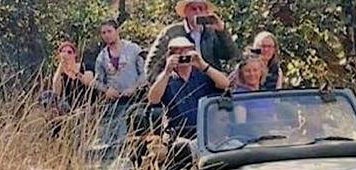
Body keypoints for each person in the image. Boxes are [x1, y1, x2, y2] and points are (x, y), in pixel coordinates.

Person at [147, 37, 230, 137]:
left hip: (206, 133)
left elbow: (225, 84)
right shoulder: (166, 80)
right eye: (178, 53)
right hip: (180, 135)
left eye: (186, 52)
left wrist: (202, 65)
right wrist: (167, 71)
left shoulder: (203, 76)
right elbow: (153, 99)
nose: (183, 56)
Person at [145, 0, 238, 81]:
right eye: (193, 9)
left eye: (201, 9)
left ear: (206, 12)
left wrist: (222, 31)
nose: (197, 12)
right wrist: (166, 86)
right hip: (180, 88)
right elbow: (152, 66)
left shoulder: (212, 31)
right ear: (185, 12)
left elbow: (231, 55)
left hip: (210, 85)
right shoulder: (171, 33)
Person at [93, 19, 146, 147]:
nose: (106, 35)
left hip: (135, 98)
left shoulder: (133, 49)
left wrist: (134, 87)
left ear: (117, 31)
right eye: (103, 32)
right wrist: (106, 90)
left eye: (109, 31)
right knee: (112, 133)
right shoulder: (101, 57)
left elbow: (145, 72)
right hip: (114, 102)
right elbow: (97, 81)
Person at [50, 41, 95, 113]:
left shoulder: (84, 66)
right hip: (70, 108)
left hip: (87, 106)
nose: (66, 54)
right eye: (63, 52)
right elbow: (56, 91)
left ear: (75, 54)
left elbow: (88, 80)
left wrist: (73, 70)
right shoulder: (60, 74)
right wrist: (60, 68)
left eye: (69, 52)